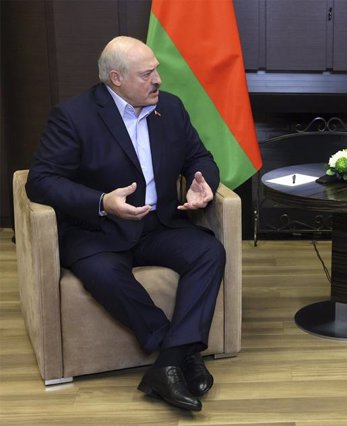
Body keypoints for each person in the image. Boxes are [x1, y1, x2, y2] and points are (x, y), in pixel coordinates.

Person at [26, 36, 226, 412]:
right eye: (147, 73)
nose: (158, 80)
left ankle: (167, 364)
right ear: (116, 79)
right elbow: (40, 180)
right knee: (104, 273)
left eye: (157, 70)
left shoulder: (171, 108)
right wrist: (101, 202)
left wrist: (203, 183)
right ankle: (183, 354)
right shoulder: (74, 115)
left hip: (158, 224)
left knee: (209, 251)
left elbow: (199, 156)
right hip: (97, 231)